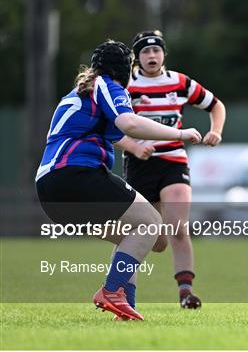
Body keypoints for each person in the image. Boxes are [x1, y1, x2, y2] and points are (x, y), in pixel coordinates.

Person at [35, 40, 202, 321]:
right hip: (76, 175)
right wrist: (180, 134)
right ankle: (112, 291)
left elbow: (122, 135)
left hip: (51, 189)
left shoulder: (83, 93)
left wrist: (139, 149)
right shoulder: (106, 85)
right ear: (125, 69)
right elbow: (130, 124)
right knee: (150, 223)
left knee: (148, 236)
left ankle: (125, 307)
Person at [114, 30, 226, 309]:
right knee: (149, 237)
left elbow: (216, 105)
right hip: (140, 166)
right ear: (136, 58)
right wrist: (134, 147)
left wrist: (216, 131)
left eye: (156, 51)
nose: (152, 56)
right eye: (145, 52)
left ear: (163, 54)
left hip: (174, 161)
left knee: (177, 226)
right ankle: (122, 296)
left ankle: (186, 293)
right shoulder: (126, 85)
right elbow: (110, 128)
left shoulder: (179, 82)